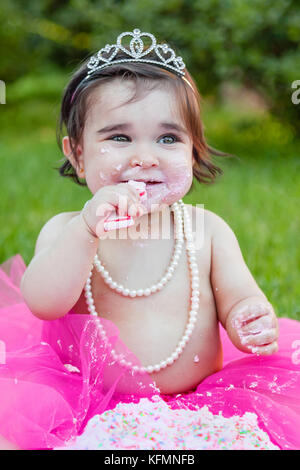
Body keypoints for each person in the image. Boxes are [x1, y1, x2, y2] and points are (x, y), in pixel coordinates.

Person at [0, 29, 299, 451]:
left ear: (193, 154)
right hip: (86, 402)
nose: (145, 156)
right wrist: (86, 230)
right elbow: (43, 302)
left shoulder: (207, 230)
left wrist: (248, 317)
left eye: (168, 138)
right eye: (119, 138)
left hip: (203, 401)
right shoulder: (68, 230)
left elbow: (240, 297)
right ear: (78, 155)